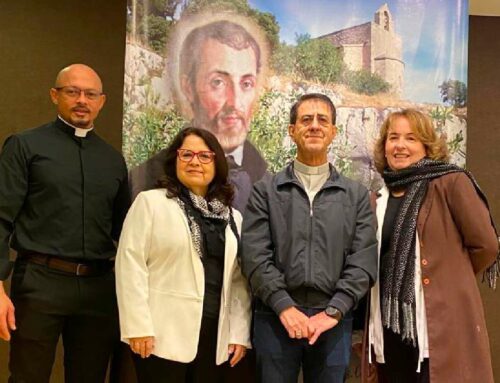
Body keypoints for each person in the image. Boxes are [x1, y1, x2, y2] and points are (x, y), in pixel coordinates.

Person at [0, 64, 130, 382]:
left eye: (90, 94)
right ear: (55, 95)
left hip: (98, 289)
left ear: (102, 101)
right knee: (28, 376)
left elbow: (125, 233)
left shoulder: (113, 160)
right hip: (39, 283)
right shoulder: (25, 146)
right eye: (72, 92)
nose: (81, 100)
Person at [241, 93, 378, 383]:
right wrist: (283, 306)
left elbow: (363, 259)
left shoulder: (356, 196)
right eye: (306, 119)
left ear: (333, 132)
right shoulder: (265, 191)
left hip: (333, 321)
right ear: (292, 130)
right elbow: (254, 254)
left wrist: (335, 310)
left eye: (322, 120)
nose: (314, 126)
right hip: (275, 317)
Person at [364, 109, 499, 383]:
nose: (400, 145)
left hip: (439, 327)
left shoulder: (451, 182)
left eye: (410, 138)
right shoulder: (377, 198)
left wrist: (447, 280)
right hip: (390, 329)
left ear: (426, 145)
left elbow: (485, 245)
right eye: (393, 138)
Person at [115, 127, 252, 382]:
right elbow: (130, 265)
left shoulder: (233, 218)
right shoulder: (150, 203)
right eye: (186, 154)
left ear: (217, 164)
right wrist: (137, 326)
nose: (195, 162)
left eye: (204, 156)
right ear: (174, 161)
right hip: (161, 334)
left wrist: (238, 333)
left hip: (215, 336)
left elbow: (238, 281)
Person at [129, 19, 268, 211]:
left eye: (246, 84)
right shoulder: (146, 180)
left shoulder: (266, 178)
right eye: (218, 82)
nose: (235, 102)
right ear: (188, 88)